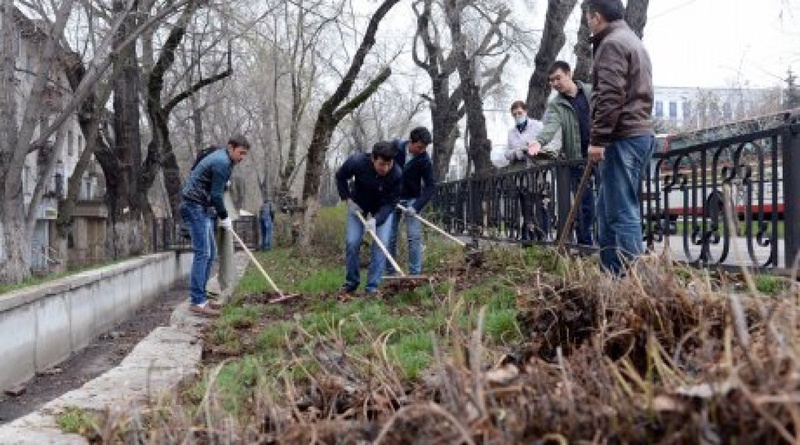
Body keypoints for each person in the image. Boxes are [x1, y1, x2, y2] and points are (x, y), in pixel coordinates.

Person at [585, 0, 655, 276]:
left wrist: (598, 139)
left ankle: (630, 284)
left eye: (589, 18)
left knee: (622, 213)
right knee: (608, 212)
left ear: (597, 17)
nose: (588, 23)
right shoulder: (631, 40)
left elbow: (611, 96)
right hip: (636, 135)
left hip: (623, 137)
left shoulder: (612, 43)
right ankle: (611, 278)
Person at [180, 135, 250, 316]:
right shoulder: (222, 162)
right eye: (240, 153)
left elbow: (214, 187)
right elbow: (216, 196)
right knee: (203, 253)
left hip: (201, 206)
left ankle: (201, 297)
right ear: (231, 148)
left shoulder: (225, 159)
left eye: (245, 154)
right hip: (194, 205)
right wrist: (225, 217)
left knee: (210, 253)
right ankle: (197, 301)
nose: (242, 157)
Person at [528, 60, 595, 246]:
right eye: (552, 81)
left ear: (569, 74)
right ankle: (585, 245)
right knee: (584, 205)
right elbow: (551, 126)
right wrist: (539, 141)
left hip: (600, 152)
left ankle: (609, 245)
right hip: (577, 159)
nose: (555, 83)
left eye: (558, 78)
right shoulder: (556, 104)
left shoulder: (591, 91)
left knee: (607, 200)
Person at [335, 141, 402, 295]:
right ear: (373, 158)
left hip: (382, 209)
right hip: (358, 205)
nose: (385, 168)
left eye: (388, 164)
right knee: (352, 242)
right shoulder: (357, 162)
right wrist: (347, 199)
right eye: (381, 164)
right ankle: (351, 283)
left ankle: (372, 287)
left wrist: (376, 220)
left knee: (381, 244)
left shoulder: (397, 173)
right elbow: (340, 177)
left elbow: (392, 202)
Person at [387, 126, 436, 277]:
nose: (422, 150)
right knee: (390, 236)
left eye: (425, 148)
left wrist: (416, 206)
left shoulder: (424, 160)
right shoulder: (394, 148)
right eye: (419, 147)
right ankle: (391, 272)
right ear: (411, 141)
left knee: (414, 237)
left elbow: (430, 187)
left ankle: (415, 274)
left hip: (411, 200)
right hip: (391, 198)